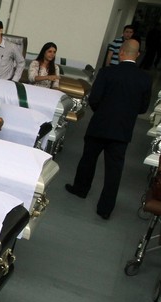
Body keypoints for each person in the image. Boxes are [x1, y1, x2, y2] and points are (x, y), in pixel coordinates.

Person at [65, 39, 152, 219]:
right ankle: (105, 208)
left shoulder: (106, 72)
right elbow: (143, 108)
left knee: (88, 159)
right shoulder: (145, 78)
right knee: (114, 170)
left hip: (100, 125)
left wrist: (103, 112)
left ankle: (80, 189)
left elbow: (94, 99)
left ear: (121, 53)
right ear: (137, 55)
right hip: (122, 130)